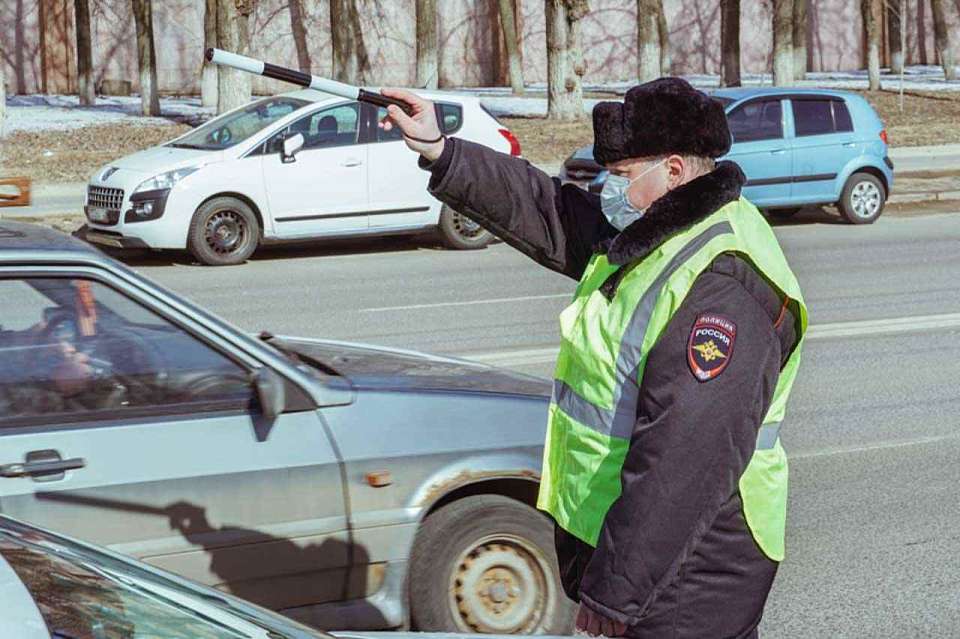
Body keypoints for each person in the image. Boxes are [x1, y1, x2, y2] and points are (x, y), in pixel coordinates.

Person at [380, 77, 807, 638]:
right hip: (645, 550)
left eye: (623, 175)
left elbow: (684, 461)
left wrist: (616, 593)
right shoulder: (659, 225)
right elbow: (549, 210)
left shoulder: (723, 284)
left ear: (674, 170)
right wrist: (442, 149)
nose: (609, 188)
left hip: (693, 565)